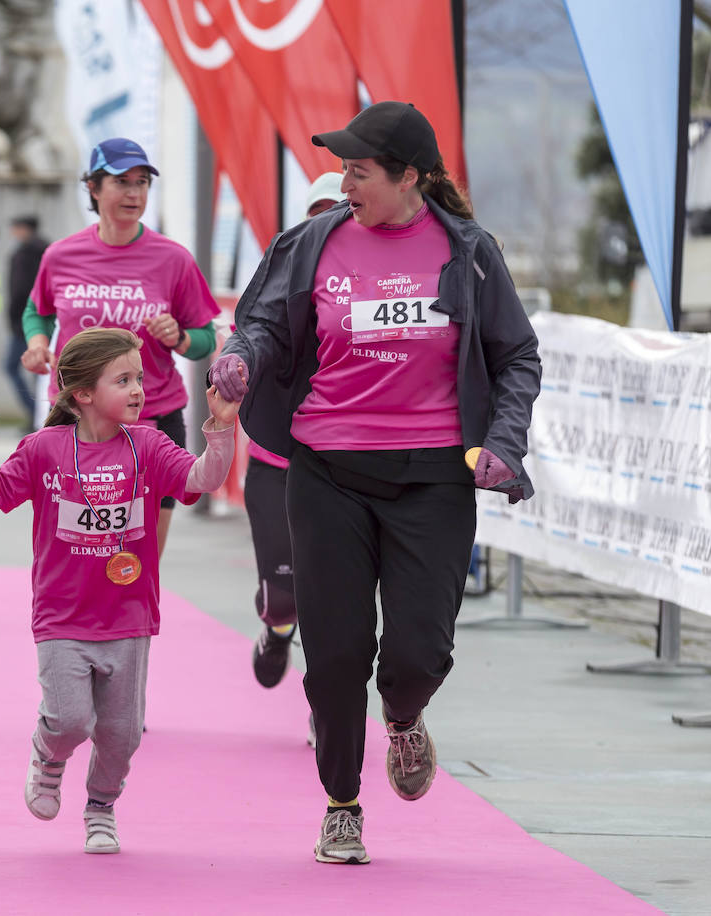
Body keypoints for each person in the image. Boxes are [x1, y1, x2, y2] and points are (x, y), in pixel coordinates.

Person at [212, 101, 540, 865]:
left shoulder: (469, 252)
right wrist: (242, 358)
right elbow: (261, 323)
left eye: (361, 169)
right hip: (327, 472)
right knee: (333, 653)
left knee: (419, 653)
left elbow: (517, 355)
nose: (346, 180)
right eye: (346, 168)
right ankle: (341, 804)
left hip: (434, 478)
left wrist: (503, 441)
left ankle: (404, 712)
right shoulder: (312, 242)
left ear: (409, 177)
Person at [0, 327, 240, 853]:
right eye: (124, 379)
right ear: (82, 394)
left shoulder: (150, 445)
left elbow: (202, 478)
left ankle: (101, 805)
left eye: (142, 378)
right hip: (62, 617)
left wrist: (221, 428)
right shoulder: (44, 449)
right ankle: (48, 754)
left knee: (121, 734)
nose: (139, 389)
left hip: (129, 619)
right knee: (69, 719)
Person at [22, 138, 221, 559]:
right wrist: (38, 343)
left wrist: (179, 337)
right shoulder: (60, 255)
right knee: (74, 554)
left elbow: (205, 336)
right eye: (122, 182)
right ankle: (70, 626)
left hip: (152, 425)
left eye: (142, 182)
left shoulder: (173, 259)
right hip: (77, 426)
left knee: (138, 560)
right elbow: (36, 311)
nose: (134, 193)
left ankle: (133, 627)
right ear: (93, 188)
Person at [245, 172, 346, 748]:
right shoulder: (282, 274)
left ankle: (325, 708)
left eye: (341, 211)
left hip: (340, 467)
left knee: (335, 597)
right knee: (285, 594)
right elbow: (249, 338)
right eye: (320, 212)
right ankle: (276, 627)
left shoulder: (366, 285)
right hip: (275, 463)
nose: (331, 223)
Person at [4, 215, 49, 427]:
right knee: (39, 370)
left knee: (14, 366)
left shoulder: (24, 254)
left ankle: (36, 414)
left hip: (25, 321)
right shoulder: (46, 251)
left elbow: (20, 290)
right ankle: (38, 414)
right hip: (43, 319)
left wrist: (13, 317)